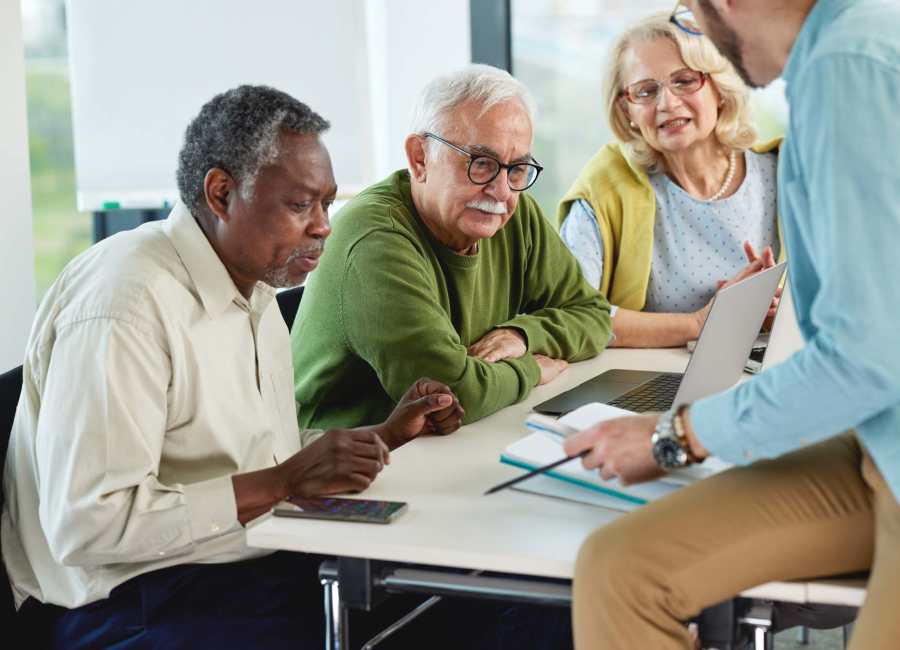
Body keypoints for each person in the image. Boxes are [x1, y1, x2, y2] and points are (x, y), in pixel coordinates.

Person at [1, 85, 465, 649]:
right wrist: (284, 481)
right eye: (300, 205)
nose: (324, 226)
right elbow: (87, 527)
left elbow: (249, 459)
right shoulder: (125, 304)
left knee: (463, 600)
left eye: (327, 203)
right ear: (221, 193)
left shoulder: (255, 291)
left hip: (240, 563)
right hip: (120, 605)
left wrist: (381, 436)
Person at [563, 1, 900, 648]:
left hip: (879, 431)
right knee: (618, 568)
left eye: (693, 17)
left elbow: (866, 354)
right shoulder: (843, 55)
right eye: (645, 90)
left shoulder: (845, 66)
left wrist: (678, 436)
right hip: (873, 436)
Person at [291, 64, 612, 430]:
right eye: (481, 163)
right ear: (420, 158)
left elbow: (594, 315)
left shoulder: (510, 212)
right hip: (345, 462)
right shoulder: (374, 242)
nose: (502, 191)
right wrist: (531, 369)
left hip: (451, 443)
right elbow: (452, 395)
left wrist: (523, 336)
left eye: (517, 169)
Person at [559, 12, 781, 348]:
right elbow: (570, 313)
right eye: (646, 91)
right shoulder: (605, 187)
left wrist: (777, 314)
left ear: (719, 87)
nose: (667, 103)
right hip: (646, 387)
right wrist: (700, 323)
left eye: (684, 80)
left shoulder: (781, 174)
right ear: (626, 111)